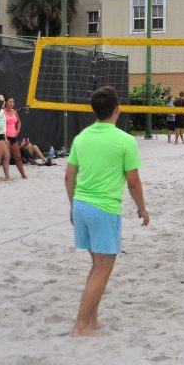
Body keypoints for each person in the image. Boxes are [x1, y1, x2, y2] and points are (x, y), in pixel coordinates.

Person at [65, 86, 150, 337]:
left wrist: (72, 206)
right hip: (104, 209)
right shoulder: (125, 140)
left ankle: (92, 319)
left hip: (81, 205)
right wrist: (142, 209)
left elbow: (69, 176)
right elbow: (133, 181)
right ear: (117, 109)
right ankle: (81, 326)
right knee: (103, 268)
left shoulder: (81, 137)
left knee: (96, 266)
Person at [4, 97, 27, 179]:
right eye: (10, 102)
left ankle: (23, 174)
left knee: (18, 156)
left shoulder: (14, 111)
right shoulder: (2, 112)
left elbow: (19, 122)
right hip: (5, 137)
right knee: (6, 157)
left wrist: (17, 130)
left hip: (13, 136)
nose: (12, 103)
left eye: (13, 102)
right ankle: (6, 176)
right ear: (6, 102)